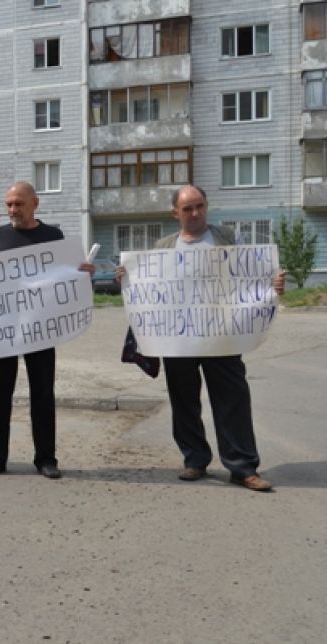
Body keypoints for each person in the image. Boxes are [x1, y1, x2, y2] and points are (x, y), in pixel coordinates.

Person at [0, 181, 93, 480]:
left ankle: (46, 458)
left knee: (43, 394)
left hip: (40, 329)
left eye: (18, 204)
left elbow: (65, 277)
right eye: (8, 204)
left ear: (35, 203)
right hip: (1, 332)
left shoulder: (53, 236)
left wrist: (83, 276)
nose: (13, 210)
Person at [145, 184, 284, 491]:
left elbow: (252, 279)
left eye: (200, 206)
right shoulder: (163, 247)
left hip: (223, 336)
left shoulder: (229, 239)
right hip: (179, 340)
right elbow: (150, 290)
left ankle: (243, 467)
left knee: (233, 399)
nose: (195, 213)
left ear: (207, 206)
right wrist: (127, 281)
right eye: (187, 208)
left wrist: (272, 285)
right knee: (184, 402)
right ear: (175, 213)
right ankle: (195, 460)